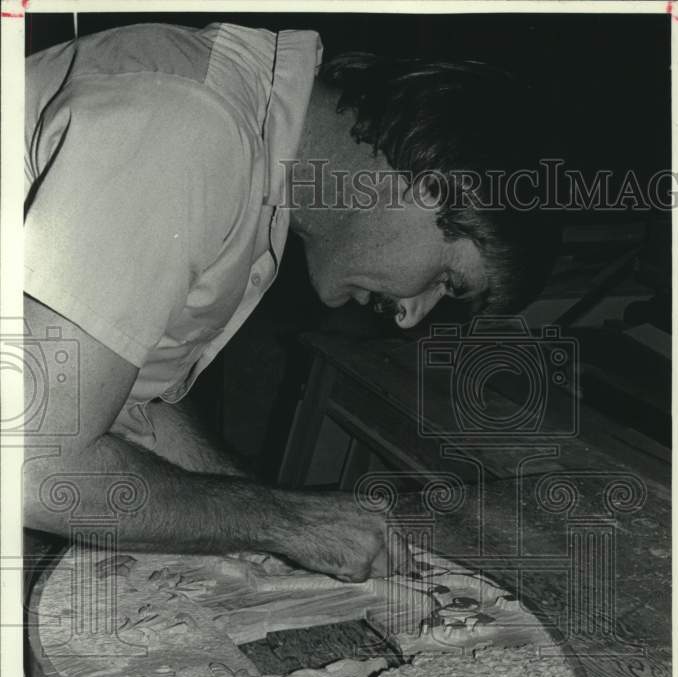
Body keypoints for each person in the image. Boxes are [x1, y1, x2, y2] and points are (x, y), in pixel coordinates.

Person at [23, 21, 559, 581]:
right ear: (430, 181)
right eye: (447, 281)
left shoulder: (250, 163)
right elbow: (36, 470)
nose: (410, 315)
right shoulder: (190, 127)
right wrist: (286, 522)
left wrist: (268, 526)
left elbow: (129, 405)